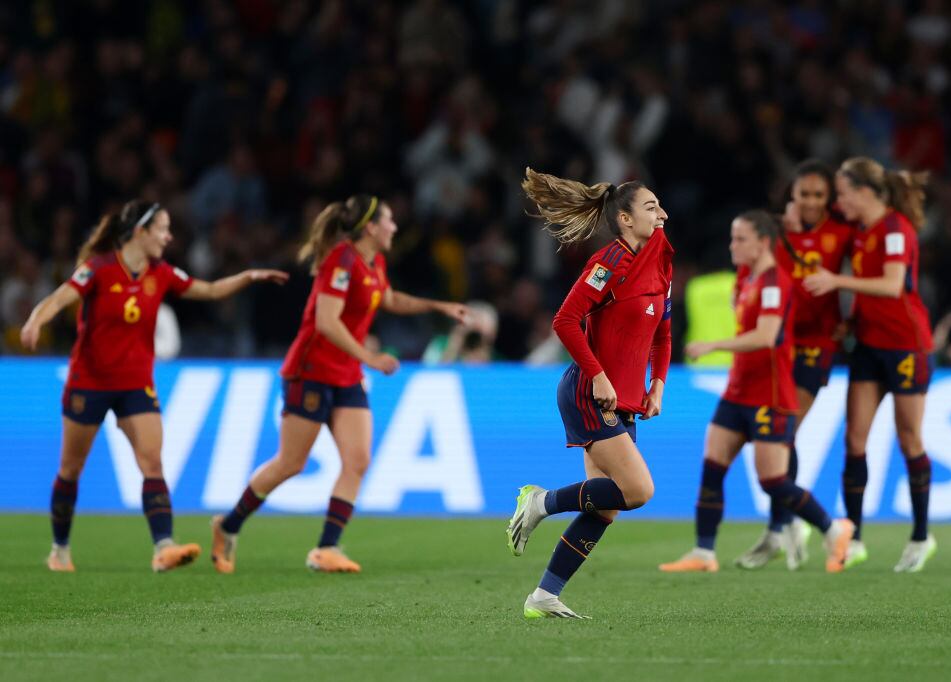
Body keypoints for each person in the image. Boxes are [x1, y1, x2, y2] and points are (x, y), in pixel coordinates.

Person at [19, 200, 288, 572]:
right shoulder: (98, 269)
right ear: (140, 232)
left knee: (152, 463)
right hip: (90, 383)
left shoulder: (161, 274)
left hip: (135, 385)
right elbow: (59, 298)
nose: (169, 236)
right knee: (70, 469)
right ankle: (60, 549)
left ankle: (164, 547)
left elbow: (208, 291)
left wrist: (248, 277)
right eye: (162, 228)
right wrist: (35, 321)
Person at [210, 195, 468, 574]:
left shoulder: (373, 261)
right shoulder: (341, 261)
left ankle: (326, 548)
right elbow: (327, 322)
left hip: (346, 375)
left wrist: (438, 306)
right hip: (311, 371)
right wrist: (371, 358)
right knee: (290, 463)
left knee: (358, 459)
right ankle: (227, 525)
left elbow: (389, 298)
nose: (395, 227)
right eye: (390, 220)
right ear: (371, 227)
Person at [505, 168, 673, 619]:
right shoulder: (608, 263)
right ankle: (541, 501)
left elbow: (663, 333)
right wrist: (597, 374)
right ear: (624, 220)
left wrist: (657, 384)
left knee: (606, 506)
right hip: (589, 392)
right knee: (636, 490)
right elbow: (564, 320)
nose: (663, 215)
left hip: (625, 399)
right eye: (651, 207)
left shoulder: (660, 261)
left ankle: (543, 595)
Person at [658, 210, 854, 574]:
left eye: (740, 239)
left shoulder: (775, 283)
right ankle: (703, 553)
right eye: (733, 238)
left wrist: (713, 344)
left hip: (770, 392)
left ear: (763, 242)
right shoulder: (746, 279)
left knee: (773, 481)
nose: (733, 246)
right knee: (713, 464)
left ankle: (832, 528)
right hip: (738, 389)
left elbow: (766, 336)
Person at [804, 157, 936, 573]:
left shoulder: (896, 229)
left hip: (905, 346)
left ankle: (920, 535)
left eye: (842, 192)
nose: (838, 201)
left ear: (864, 192)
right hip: (868, 344)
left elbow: (893, 285)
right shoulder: (861, 233)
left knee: (909, 439)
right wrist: (849, 320)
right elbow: (870, 290)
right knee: (855, 440)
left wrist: (838, 281)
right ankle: (855, 536)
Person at [735, 160, 855, 571]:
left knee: (783, 436)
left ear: (829, 199)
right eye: (804, 194)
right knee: (780, 438)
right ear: (793, 195)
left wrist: (849, 320)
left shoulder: (842, 232)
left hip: (817, 346)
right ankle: (786, 525)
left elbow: (859, 276)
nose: (810, 202)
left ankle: (784, 526)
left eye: (818, 195)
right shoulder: (776, 232)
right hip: (780, 346)